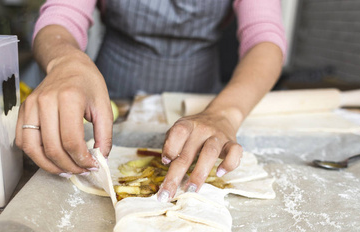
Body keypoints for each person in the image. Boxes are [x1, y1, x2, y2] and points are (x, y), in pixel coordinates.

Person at [16, 0, 286, 202]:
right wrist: (66, 62)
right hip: (115, 91)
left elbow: (264, 38)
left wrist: (225, 114)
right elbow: (62, 15)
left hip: (203, 97)